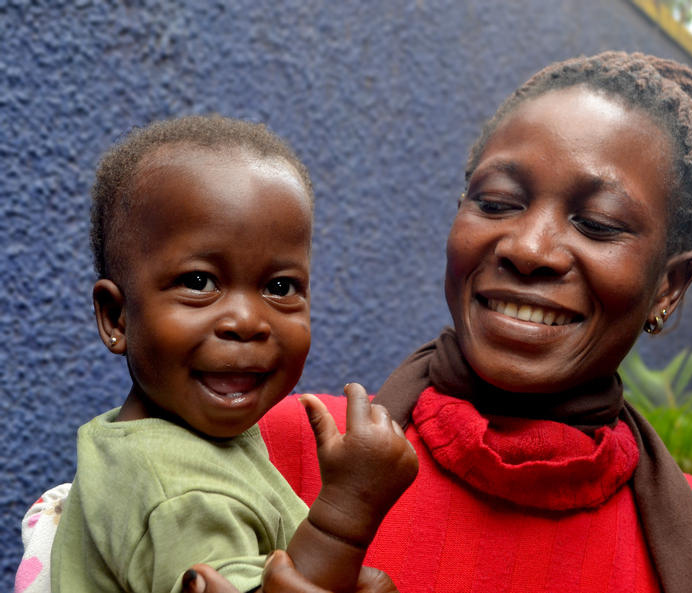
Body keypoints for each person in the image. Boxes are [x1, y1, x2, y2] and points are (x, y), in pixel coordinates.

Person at [18, 51, 692, 593]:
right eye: (497, 202)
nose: (529, 248)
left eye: (597, 224)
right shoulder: (278, 443)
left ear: (670, 285)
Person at [46, 115, 418, 593]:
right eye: (199, 282)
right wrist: (347, 511)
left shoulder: (169, 444)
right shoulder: (177, 491)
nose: (246, 321)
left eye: (280, 287)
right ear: (117, 318)